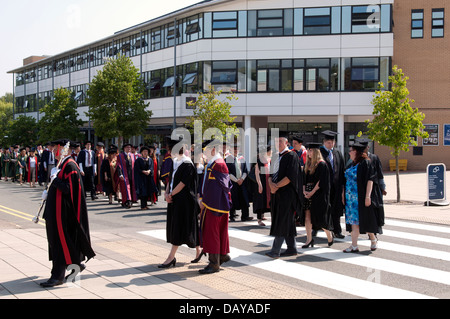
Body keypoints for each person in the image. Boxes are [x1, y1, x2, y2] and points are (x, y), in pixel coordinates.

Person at [40, 139, 95, 288]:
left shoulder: (70, 165)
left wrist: (55, 180)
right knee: (57, 243)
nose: (52, 151)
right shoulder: (62, 165)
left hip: (62, 214)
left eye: (54, 148)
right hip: (55, 212)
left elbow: (70, 189)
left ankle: (57, 276)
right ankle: (75, 264)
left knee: (59, 244)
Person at [158, 141, 200, 268]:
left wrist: (171, 195)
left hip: (185, 201)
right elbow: (170, 180)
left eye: (170, 151)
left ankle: (171, 257)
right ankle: (199, 250)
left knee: (181, 226)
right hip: (175, 199)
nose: (169, 153)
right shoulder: (175, 162)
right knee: (185, 226)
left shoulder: (187, 164)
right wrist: (166, 193)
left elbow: (182, 184)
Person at [197, 139, 232, 274]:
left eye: (205, 151)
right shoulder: (213, 163)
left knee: (212, 233)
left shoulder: (218, 164)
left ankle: (214, 263)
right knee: (217, 232)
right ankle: (222, 256)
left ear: (213, 150)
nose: (203, 154)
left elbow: (216, 189)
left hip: (215, 205)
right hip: (216, 204)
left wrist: (204, 203)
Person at [342, 142, 383, 253]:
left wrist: (368, 196)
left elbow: (371, 180)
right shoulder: (351, 164)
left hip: (361, 198)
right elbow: (346, 180)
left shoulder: (366, 163)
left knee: (365, 221)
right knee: (354, 222)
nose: (349, 152)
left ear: (356, 152)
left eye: (350, 150)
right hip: (351, 199)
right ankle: (354, 246)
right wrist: (343, 194)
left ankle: (373, 239)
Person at [266, 136, 302, 259]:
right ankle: (292, 249)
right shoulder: (275, 156)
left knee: (282, 221)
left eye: (280, 141)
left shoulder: (292, 156)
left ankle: (275, 251)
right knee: (288, 221)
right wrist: (271, 185)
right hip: (276, 194)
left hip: (287, 195)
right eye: (276, 141)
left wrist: (276, 186)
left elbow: (291, 176)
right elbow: (270, 175)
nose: (278, 143)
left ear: (286, 143)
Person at [301, 143, 333, 248]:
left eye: (310, 150)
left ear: (315, 152)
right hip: (307, 193)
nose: (308, 153)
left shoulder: (321, 164)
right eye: (308, 150)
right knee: (307, 217)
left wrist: (311, 192)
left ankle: (329, 234)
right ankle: (309, 239)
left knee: (319, 219)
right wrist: (304, 190)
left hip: (317, 194)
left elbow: (321, 182)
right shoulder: (308, 164)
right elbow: (304, 179)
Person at [320, 130, 345, 239]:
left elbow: (341, 168)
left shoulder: (337, 153)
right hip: (324, 187)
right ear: (324, 142)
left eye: (333, 142)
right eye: (329, 142)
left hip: (337, 186)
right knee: (325, 208)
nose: (331, 144)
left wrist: (343, 185)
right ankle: (322, 228)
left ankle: (337, 230)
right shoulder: (319, 152)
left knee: (336, 209)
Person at [225, 143, 252, 222]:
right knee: (233, 198)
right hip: (233, 182)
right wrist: (236, 180)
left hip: (242, 181)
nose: (236, 150)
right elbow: (228, 172)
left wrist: (242, 179)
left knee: (244, 198)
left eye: (237, 149)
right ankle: (232, 215)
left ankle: (245, 216)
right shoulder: (227, 159)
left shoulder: (241, 158)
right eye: (234, 149)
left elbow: (245, 170)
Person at [251, 145, 272, 226]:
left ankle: (268, 216)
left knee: (269, 200)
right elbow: (257, 173)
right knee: (260, 200)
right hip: (262, 182)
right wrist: (259, 184)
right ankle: (259, 219)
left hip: (269, 182)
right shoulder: (258, 161)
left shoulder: (269, 160)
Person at [134, 146, 158, 210]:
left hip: (148, 178)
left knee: (147, 191)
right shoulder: (138, 160)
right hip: (141, 178)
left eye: (146, 151)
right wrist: (143, 171)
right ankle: (142, 206)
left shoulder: (150, 159)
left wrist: (149, 171)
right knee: (143, 192)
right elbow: (137, 169)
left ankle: (146, 205)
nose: (145, 153)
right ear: (141, 152)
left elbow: (151, 167)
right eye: (144, 151)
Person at [116, 143, 137, 208]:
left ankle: (132, 200)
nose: (129, 149)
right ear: (124, 148)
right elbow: (118, 166)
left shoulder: (133, 156)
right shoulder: (120, 156)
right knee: (125, 188)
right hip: (124, 174)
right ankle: (127, 201)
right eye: (127, 147)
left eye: (130, 148)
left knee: (132, 187)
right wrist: (120, 174)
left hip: (132, 174)